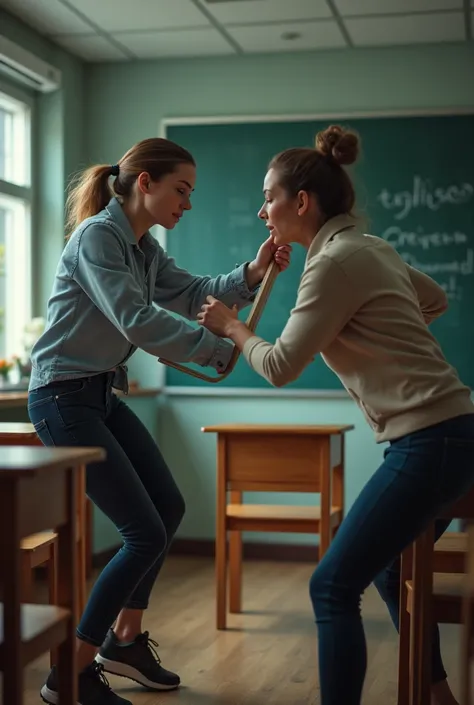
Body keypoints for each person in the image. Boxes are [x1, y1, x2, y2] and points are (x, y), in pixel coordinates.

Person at [197, 125, 474, 705]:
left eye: (269, 197)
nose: (261, 209)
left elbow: (276, 366)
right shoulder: (370, 248)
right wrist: (381, 341)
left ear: (301, 202)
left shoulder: (332, 266)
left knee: (330, 585)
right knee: (386, 568)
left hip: (432, 440)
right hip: (454, 431)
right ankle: (438, 695)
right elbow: (435, 301)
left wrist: (233, 326)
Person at [27, 137, 291, 705]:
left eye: (191, 193)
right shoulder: (98, 236)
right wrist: (222, 348)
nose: (188, 204)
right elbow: (136, 320)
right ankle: (66, 675)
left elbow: (193, 293)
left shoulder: (143, 248)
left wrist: (253, 269)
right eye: (182, 190)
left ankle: (124, 642)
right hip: (60, 398)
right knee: (143, 532)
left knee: (167, 509)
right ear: (144, 182)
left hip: (96, 394)